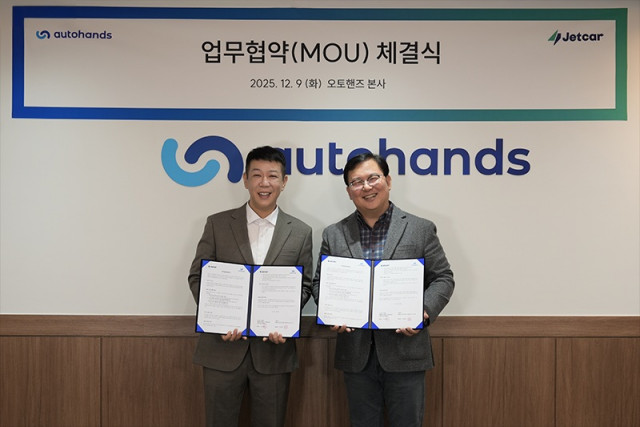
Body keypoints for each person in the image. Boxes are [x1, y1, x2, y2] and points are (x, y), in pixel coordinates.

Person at [312, 152, 454, 427]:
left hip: (406, 351)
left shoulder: (420, 228)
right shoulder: (333, 234)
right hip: (356, 353)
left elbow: (443, 278)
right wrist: (331, 312)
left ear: (388, 181)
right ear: (349, 191)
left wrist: (423, 312)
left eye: (373, 178)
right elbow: (321, 283)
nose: (366, 187)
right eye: (357, 182)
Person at [188, 146, 313, 427]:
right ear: (245, 179)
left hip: (274, 353)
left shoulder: (301, 232)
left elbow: (304, 286)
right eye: (257, 175)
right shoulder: (217, 224)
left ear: (284, 181)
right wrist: (218, 318)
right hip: (220, 350)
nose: (264, 183)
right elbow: (198, 277)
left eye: (272, 176)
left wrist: (284, 320)